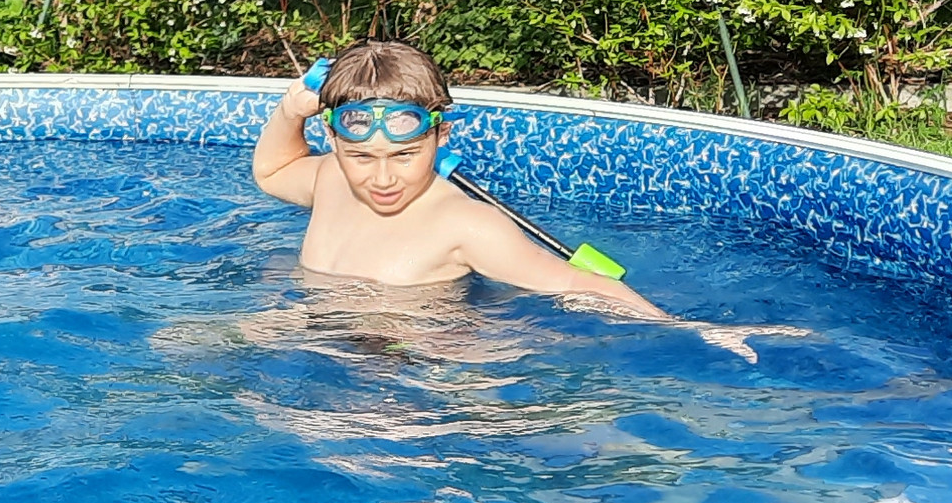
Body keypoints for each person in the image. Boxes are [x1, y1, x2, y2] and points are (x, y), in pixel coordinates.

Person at [250, 40, 798, 362]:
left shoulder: (464, 224)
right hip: (315, 331)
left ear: (440, 136)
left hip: (419, 360)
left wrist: (687, 328)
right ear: (333, 139)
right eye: (362, 157)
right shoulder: (332, 180)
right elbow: (272, 171)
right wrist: (289, 111)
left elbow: (577, 283)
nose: (383, 177)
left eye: (405, 155)